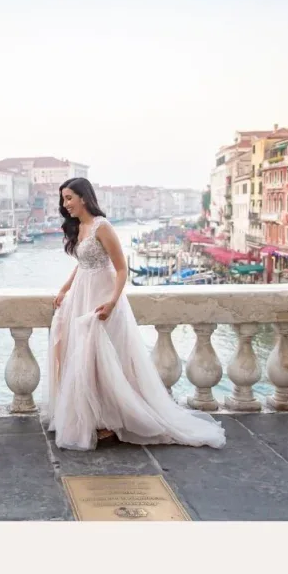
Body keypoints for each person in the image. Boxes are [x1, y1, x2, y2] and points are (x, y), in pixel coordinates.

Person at [43, 177, 226, 451]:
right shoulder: (79, 227)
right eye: (63, 199)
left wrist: (112, 302)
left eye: (69, 197)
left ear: (83, 197)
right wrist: (65, 288)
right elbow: (82, 264)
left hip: (102, 298)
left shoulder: (102, 227)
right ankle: (93, 417)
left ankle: (111, 420)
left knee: (106, 359)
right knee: (82, 358)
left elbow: (121, 269)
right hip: (82, 294)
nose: (65, 204)